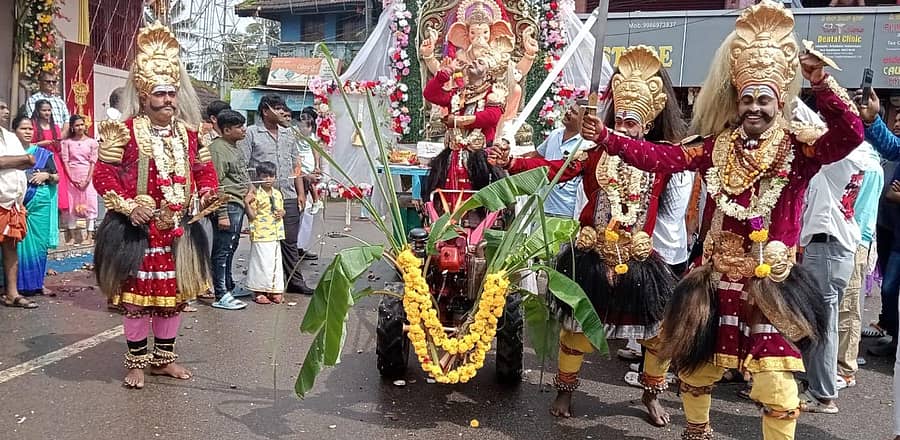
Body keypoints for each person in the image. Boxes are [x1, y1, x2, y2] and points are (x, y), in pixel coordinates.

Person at [577, 2, 863, 438]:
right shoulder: (717, 146)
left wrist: (822, 82)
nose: (754, 108)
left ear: (780, 99)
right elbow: (663, 156)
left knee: (777, 387)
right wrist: (606, 138)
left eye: (763, 99)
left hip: (769, 284)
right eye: (746, 98)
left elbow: (849, 136)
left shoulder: (798, 149)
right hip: (713, 279)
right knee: (694, 373)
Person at [494, 45, 686, 427]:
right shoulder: (593, 153)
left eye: (633, 122)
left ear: (647, 124)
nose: (625, 127)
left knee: (657, 337)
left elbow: (698, 160)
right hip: (593, 252)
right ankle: (566, 390)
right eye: (621, 119)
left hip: (639, 259)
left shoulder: (661, 159)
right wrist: (512, 161)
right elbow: (553, 169)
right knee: (576, 329)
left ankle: (650, 396)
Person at [92, 22, 218, 389]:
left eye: (172, 93)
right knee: (136, 302)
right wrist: (130, 206)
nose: (169, 100)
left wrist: (208, 191)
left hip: (179, 230)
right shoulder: (125, 132)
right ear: (145, 95)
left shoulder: (191, 133)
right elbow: (103, 175)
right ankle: (135, 361)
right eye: (161, 94)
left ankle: (163, 359)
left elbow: (204, 169)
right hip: (138, 232)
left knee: (172, 301)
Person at [798, 136, 872, 414]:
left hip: (828, 247)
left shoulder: (841, 158)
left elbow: (804, 120)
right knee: (823, 323)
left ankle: (822, 394)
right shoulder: (860, 153)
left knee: (822, 325)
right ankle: (819, 386)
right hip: (834, 248)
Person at [240, 94, 312, 295]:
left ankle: (293, 281)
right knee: (265, 242)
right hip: (262, 198)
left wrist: (300, 193)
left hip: (287, 194)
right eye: (278, 108)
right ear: (265, 110)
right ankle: (264, 284)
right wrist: (250, 190)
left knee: (290, 240)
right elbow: (243, 165)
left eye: (283, 108)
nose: (283, 112)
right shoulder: (251, 134)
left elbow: (295, 165)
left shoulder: (289, 134)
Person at [422, 45, 506, 207]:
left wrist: (457, 121)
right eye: (474, 60)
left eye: (480, 62)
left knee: (478, 205)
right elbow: (430, 94)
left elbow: (491, 117)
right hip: (452, 157)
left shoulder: (494, 93)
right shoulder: (459, 94)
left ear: (489, 74)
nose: (474, 62)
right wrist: (446, 72)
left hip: (480, 158)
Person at [836, 141, 882, 390]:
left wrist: (856, 244)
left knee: (849, 306)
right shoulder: (848, 159)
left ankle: (845, 368)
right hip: (841, 239)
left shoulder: (869, 166)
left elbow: (861, 215)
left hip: (854, 242)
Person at [12, 115, 59, 296]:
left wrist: (46, 176)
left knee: (39, 244)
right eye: (23, 129)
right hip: (17, 204)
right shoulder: (9, 154)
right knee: (15, 243)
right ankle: (13, 285)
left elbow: (57, 178)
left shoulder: (43, 154)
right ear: (14, 131)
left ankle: (38, 283)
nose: (27, 132)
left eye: (30, 129)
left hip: (40, 205)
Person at [208, 109, 250, 310]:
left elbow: (242, 175)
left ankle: (229, 286)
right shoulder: (217, 149)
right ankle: (220, 293)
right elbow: (216, 184)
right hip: (228, 205)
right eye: (239, 127)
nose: (244, 130)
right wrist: (222, 213)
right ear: (226, 130)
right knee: (222, 250)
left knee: (232, 247)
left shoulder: (235, 147)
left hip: (239, 203)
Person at [0, 117, 36, 308]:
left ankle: (12, 294)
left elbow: (29, 162)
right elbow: (26, 160)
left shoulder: (11, 138)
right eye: (0, 107)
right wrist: (23, 159)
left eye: (5, 107)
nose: (4, 111)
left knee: (10, 246)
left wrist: (19, 161)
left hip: (12, 202)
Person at [244, 161, 286, 303]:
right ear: (258, 176)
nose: (268, 179)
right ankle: (259, 291)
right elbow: (252, 215)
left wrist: (282, 213)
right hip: (261, 233)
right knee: (261, 263)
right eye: (265, 176)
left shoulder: (278, 194)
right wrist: (246, 203)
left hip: (275, 233)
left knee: (275, 262)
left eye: (271, 176)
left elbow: (281, 210)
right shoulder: (256, 193)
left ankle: (274, 289)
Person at [31, 99, 70, 240]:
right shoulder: (33, 127)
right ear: (38, 111)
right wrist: (42, 143)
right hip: (40, 160)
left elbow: (59, 148)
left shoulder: (56, 127)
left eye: (49, 110)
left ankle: (55, 228)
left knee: (58, 194)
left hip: (54, 161)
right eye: (44, 110)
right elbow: (30, 145)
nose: (47, 113)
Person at [60, 114, 99, 245]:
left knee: (90, 205)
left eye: (82, 124)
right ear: (72, 127)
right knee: (72, 205)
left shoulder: (92, 142)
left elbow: (93, 161)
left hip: (88, 176)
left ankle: (89, 236)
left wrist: (88, 179)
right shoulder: (66, 143)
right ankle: (72, 236)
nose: (80, 127)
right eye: (77, 125)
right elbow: (65, 160)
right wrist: (72, 178)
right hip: (72, 177)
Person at [295, 115, 321, 260]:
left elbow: (316, 153)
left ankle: (301, 246)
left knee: (307, 214)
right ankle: (295, 247)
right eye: (300, 125)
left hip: (308, 172)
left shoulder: (312, 139)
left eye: (305, 126)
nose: (302, 128)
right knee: (299, 212)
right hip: (299, 174)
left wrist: (317, 167)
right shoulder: (293, 137)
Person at [25, 71, 70, 136]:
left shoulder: (60, 102)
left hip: (60, 137)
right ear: (40, 82)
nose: (51, 84)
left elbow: (67, 121)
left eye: (54, 82)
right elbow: (33, 119)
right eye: (48, 81)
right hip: (42, 136)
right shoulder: (33, 99)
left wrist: (61, 136)